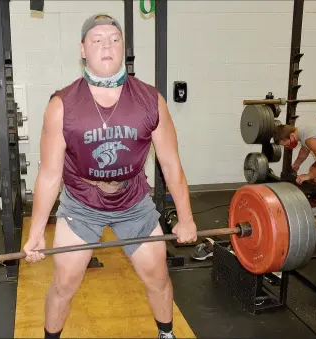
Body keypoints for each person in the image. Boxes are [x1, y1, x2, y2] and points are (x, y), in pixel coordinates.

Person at [22, 13, 197, 339]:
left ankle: (166, 334)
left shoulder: (150, 100)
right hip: (80, 205)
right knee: (64, 284)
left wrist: (185, 218)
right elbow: (49, 175)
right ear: (83, 49)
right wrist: (35, 233)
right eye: (97, 39)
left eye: (114, 39)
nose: (107, 45)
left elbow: (171, 164)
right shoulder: (62, 105)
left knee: (157, 278)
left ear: (124, 50)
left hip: (133, 201)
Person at [274, 119, 316, 231]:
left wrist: (307, 176)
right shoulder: (302, 131)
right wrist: (296, 165)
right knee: (315, 171)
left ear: (291, 136)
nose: (287, 147)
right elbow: (304, 150)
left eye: (286, 144)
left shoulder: (309, 138)